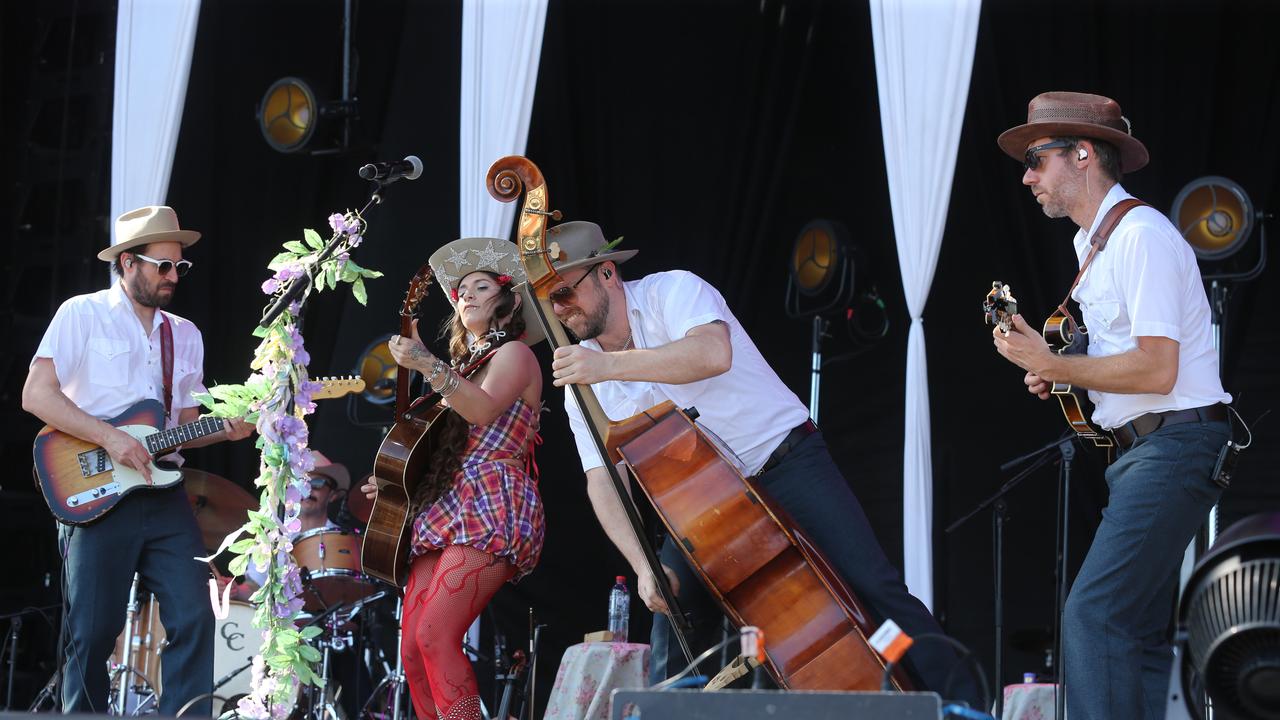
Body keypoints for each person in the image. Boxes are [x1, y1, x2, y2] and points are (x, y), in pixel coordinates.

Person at [543, 221, 978, 701]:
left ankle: (963, 708)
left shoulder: (673, 290)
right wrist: (644, 566)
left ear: (607, 274)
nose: (561, 309)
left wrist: (609, 366)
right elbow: (603, 479)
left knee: (873, 588)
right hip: (701, 508)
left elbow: (712, 353)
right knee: (674, 621)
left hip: (785, 461)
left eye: (565, 292)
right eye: (550, 299)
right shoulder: (580, 377)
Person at [992, 91, 1233, 719]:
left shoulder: (1140, 236)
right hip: (1152, 452)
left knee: (1094, 616)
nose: (1027, 176)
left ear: (1081, 155)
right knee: (1132, 634)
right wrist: (1063, 376)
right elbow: (1125, 360)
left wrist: (1056, 364)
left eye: (1037, 159)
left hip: (1173, 447)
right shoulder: (1093, 247)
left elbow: (1159, 367)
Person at [21, 205, 254, 715]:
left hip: (163, 492)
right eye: (162, 266)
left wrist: (231, 427)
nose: (174, 276)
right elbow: (36, 395)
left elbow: (179, 430)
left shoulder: (185, 335)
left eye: (180, 267)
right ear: (128, 262)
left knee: (195, 616)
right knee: (92, 631)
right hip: (96, 490)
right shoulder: (81, 313)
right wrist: (109, 438)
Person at [359, 237, 545, 720]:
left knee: (435, 636)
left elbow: (481, 411)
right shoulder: (460, 372)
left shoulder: (516, 356)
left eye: (480, 286)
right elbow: (438, 449)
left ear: (510, 299)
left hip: (492, 501)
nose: (466, 295)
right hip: (444, 505)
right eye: (461, 290)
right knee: (413, 653)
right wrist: (398, 479)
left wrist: (426, 363)